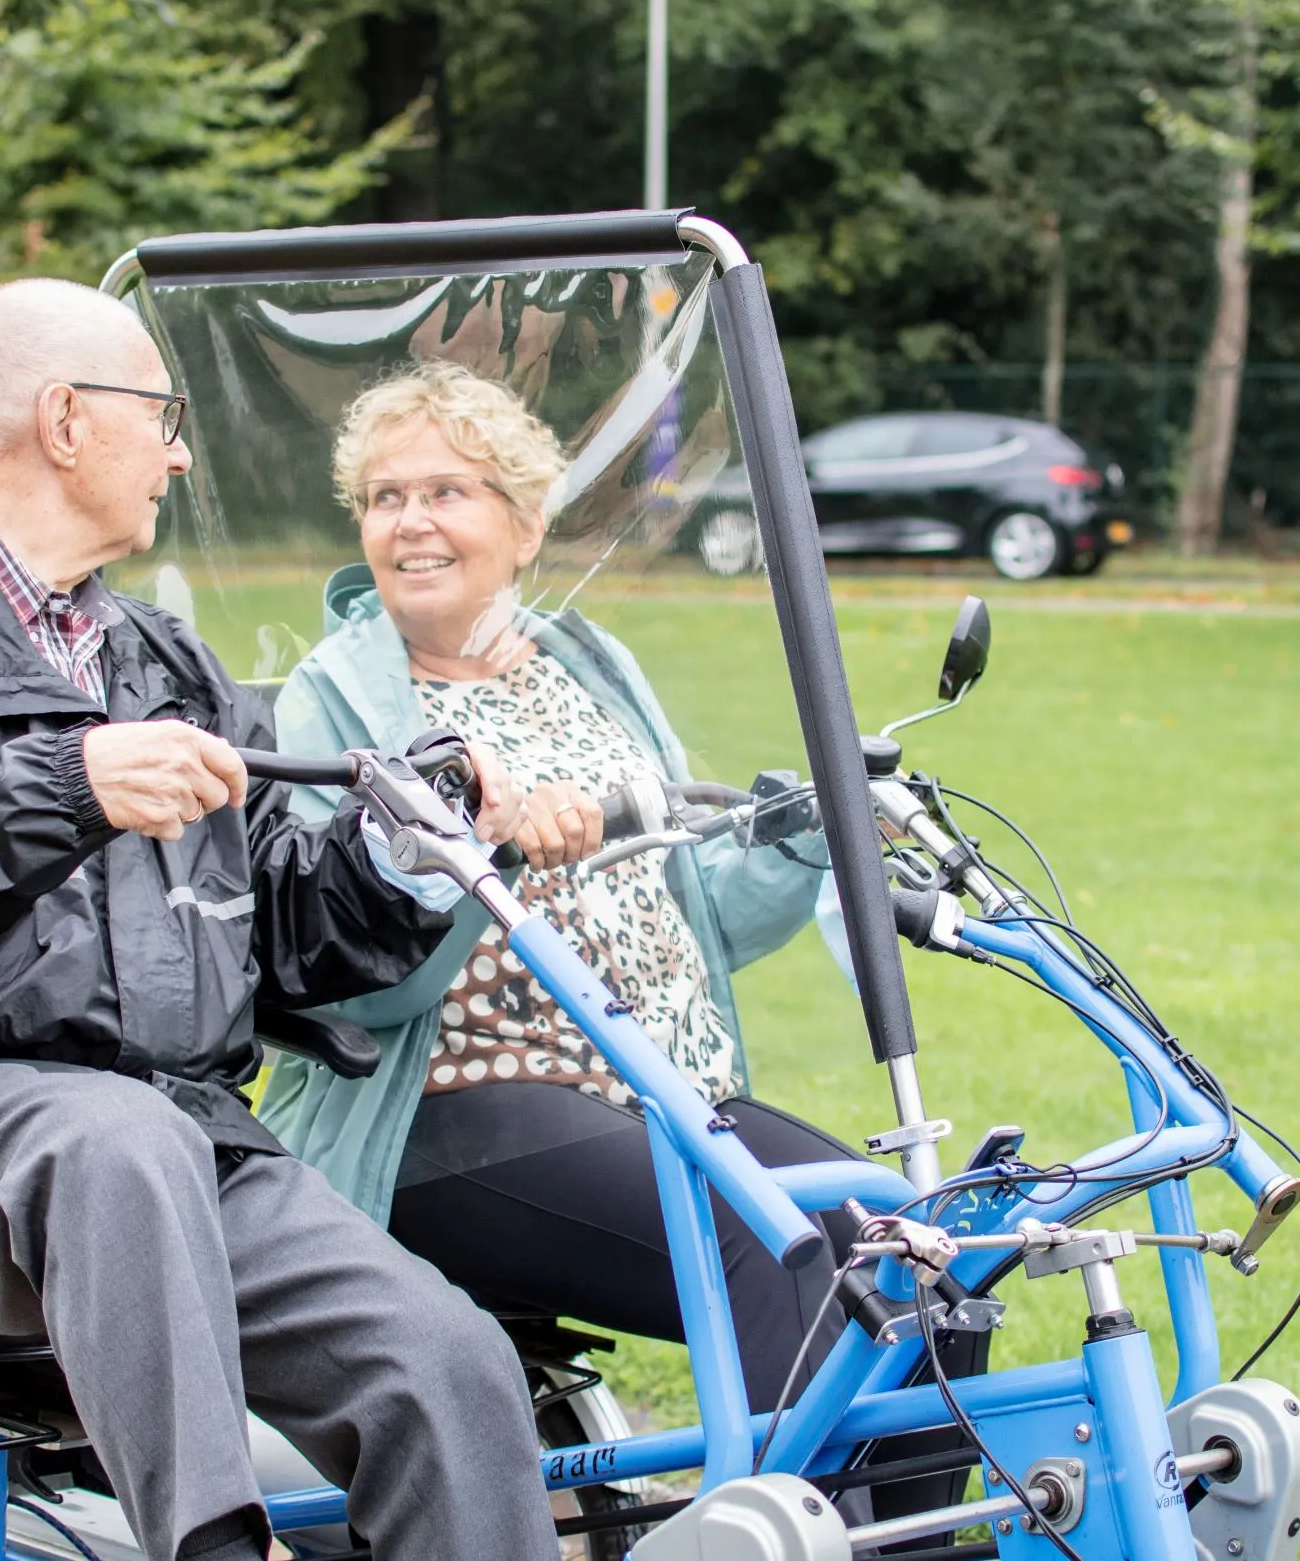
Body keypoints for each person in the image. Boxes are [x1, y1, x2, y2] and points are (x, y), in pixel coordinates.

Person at [0, 284, 554, 1561]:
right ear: (63, 420)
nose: (177, 448)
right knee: (111, 1138)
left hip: (178, 1141)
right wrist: (66, 782)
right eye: (158, 414)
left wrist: (394, 851)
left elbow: (282, 924)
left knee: (444, 1363)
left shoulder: (165, 662)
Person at [260, 360, 861, 1414]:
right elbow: (343, 981)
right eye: (384, 497)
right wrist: (483, 849)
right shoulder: (341, 695)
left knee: (902, 1241)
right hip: (448, 1114)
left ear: (526, 524)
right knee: (774, 1247)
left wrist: (806, 830)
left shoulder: (584, 658)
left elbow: (689, 908)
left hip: (655, 1093)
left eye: (446, 490)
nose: (411, 523)